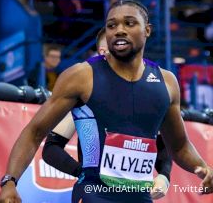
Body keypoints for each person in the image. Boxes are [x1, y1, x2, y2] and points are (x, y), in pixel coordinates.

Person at [0, 0, 213, 203]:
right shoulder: (82, 76)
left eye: (129, 23)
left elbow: (179, 146)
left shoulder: (167, 82)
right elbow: (34, 133)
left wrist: (202, 167)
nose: (119, 30)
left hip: (140, 197)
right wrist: (9, 181)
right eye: (112, 25)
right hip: (93, 195)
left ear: (147, 30)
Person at [42, 27, 172, 201]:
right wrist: (83, 173)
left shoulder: (148, 97)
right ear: (102, 52)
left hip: (136, 195)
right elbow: (51, 147)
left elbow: (164, 147)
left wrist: (164, 176)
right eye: (112, 47)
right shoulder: (85, 97)